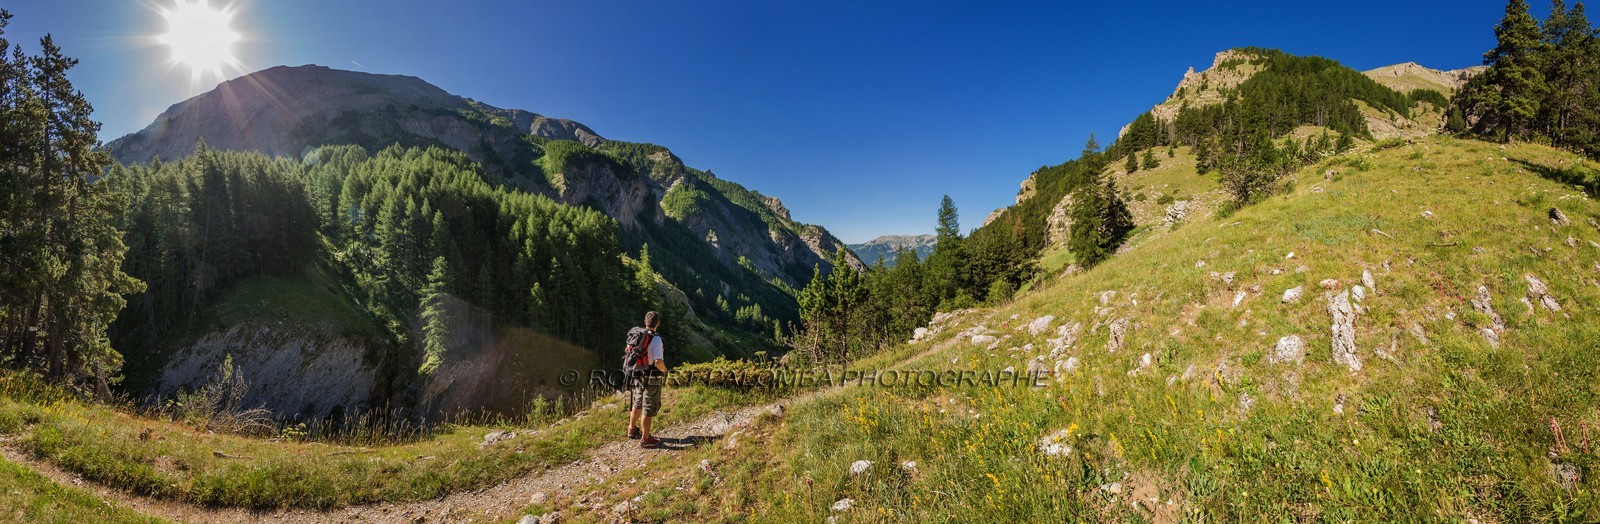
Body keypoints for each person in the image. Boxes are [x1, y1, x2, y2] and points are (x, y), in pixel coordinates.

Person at [626, 311, 667, 448]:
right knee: (648, 407)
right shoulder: (656, 339)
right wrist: (665, 371)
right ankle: (646, 438)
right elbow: (657, 361)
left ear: (645, 322)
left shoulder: (638, 336)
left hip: (638, 373)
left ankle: (631, 429)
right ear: (658, 323)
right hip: (651, 376)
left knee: (638, 402)